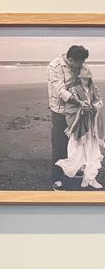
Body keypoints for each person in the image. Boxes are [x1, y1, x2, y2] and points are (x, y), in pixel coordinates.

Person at [48, 45, 102, 189]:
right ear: (71, 60)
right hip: (60, 111)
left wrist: (93, 101)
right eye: (79, 63)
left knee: (78, 144)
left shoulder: (79, 63)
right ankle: (57, 179)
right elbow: (61, 91)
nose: (81, 66)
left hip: (80, 112)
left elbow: (87, 83)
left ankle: (74, 170)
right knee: (60, 144)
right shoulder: (55, 66)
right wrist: (79, 102)